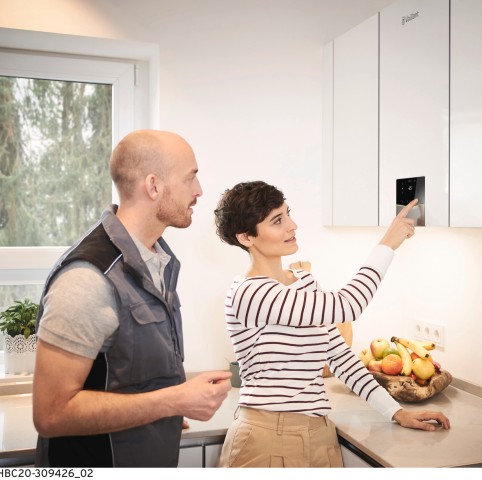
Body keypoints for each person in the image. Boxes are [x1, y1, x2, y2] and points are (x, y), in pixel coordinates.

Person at [213, 180, 451, 468]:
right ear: (246, 237)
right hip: (266, 438)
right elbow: (348, 305)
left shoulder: (304, 282)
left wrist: (395, 411)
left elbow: (339, 356)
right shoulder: (250, 293)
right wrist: (387, 244)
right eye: (278, 221)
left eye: (288, 213)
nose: (292, 225)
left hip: (319, 435)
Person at [32, 130, 232, 467]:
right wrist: (171, 402)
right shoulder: (88, 279)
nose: (199, 191)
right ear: (153, 186)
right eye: (191, 178)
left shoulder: (155, 261)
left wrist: (160, 413)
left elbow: (129, 377)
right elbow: (51, 413)